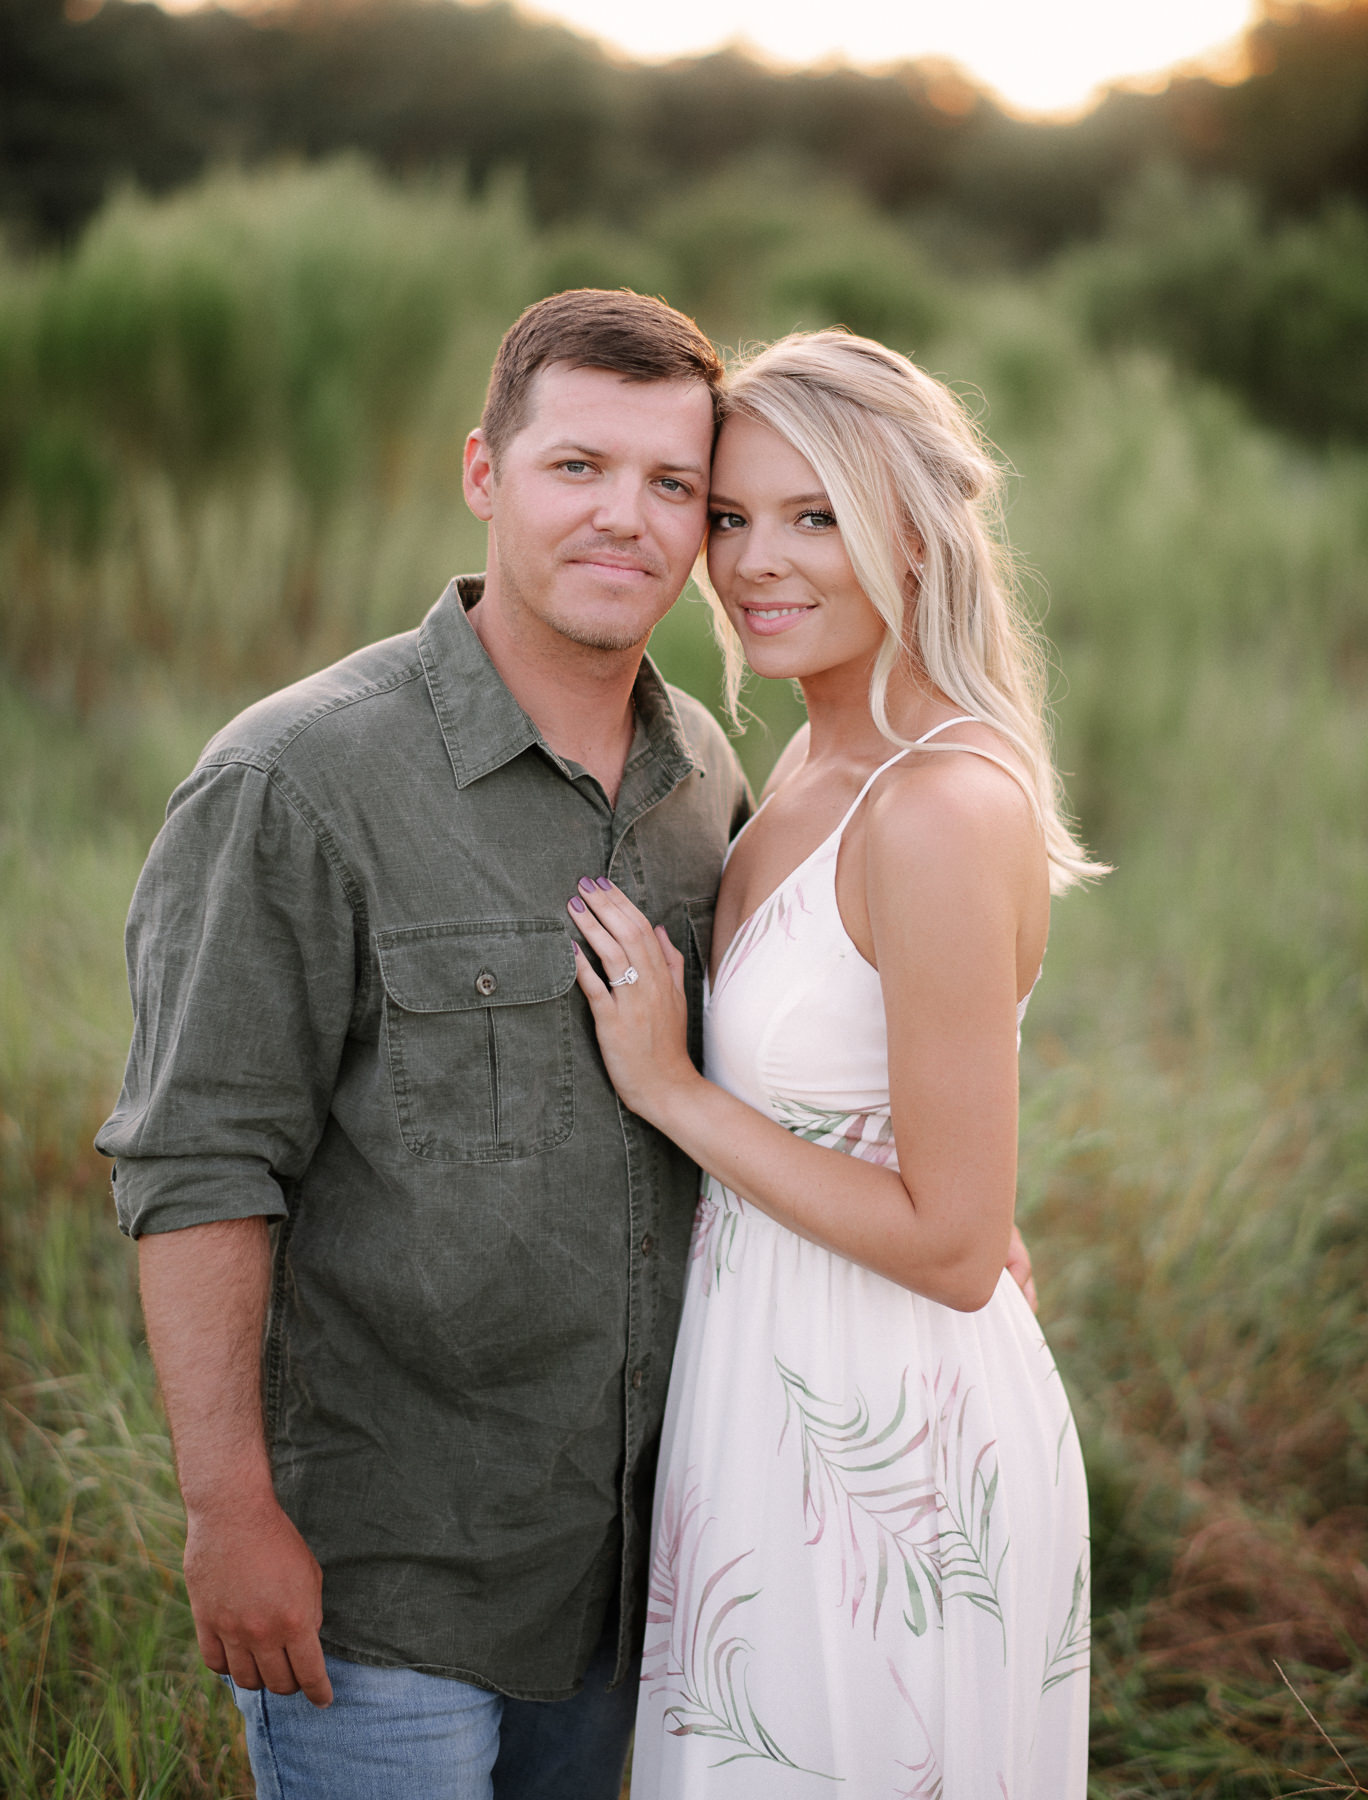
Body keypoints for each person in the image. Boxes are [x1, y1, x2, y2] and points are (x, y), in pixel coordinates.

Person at [96, 288, 752, 1800]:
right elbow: (199, 1163)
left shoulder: (700, 769)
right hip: (381, 1575)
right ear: (483, 472)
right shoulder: (297, 778)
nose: (628, 522)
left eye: (673, 487)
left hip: (631, 1570)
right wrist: (227, 1512)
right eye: (577, 467)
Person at [564, 330, 1101, 1797]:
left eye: (816, 517)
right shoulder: (798, 763)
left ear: (916, 537)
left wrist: (671, 1089)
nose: (754, 564)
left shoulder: (932, 805)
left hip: (889, 1444)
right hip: (765, 1396)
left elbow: (952, 1243)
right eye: (730, 517)